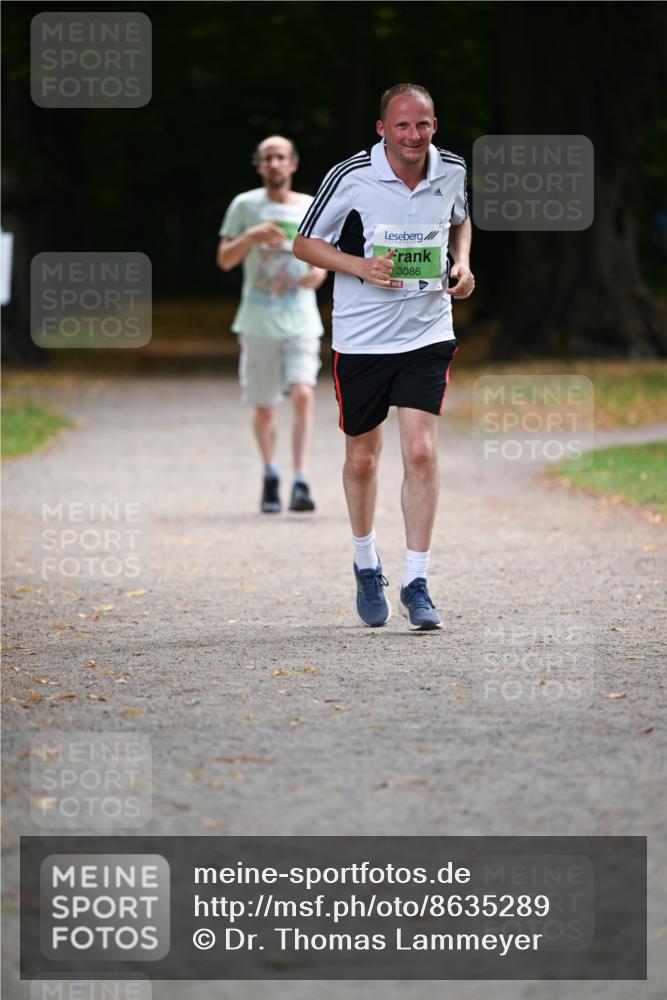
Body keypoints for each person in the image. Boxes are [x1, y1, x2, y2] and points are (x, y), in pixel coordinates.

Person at [294, 83, 474, 630]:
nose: (413, 135)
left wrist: (463, 265)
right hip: (362, 339)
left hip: (427, 332)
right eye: (401, 125)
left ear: (434, 126)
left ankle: (416, 581)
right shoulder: (350, 175)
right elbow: (303, 244)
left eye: (422, 125)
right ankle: (366, 562)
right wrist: (360, 266)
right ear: (382, 129)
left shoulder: (453, 170)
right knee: (363, 460)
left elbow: (461, 219)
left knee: (420, 452)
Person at [217, 136, 327, 513]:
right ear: (260, 165)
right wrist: (251, 236)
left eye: (281, 157)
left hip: (301, 318)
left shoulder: (311, 207)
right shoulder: (245, 206)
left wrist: (318, 272)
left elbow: (323, 258)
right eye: (268, 158)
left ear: (293, 164)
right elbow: (225, 260)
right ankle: (270, 472)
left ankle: (301, 480)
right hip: (258, 319)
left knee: (303, 393)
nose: (275, 163)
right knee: (265, 408)